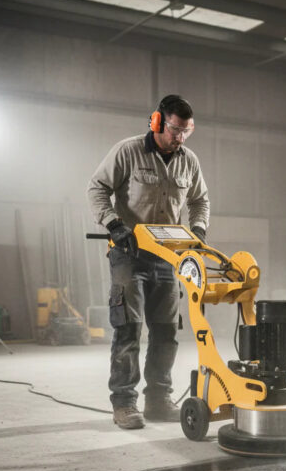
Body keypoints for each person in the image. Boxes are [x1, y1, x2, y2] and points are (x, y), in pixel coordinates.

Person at [87, 95, 210, 430]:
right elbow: (97, 188)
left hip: (168, 257)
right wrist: (114, 223)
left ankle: (158, 399)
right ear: (157, 122)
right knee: (129, 327)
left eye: (186, 132)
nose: (179, 138)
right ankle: (124, 404)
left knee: (166, 331)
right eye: (174, 129)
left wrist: (197, 231)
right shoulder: (127, 152)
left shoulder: (189, 161)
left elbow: (200, 201)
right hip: (128, 253)